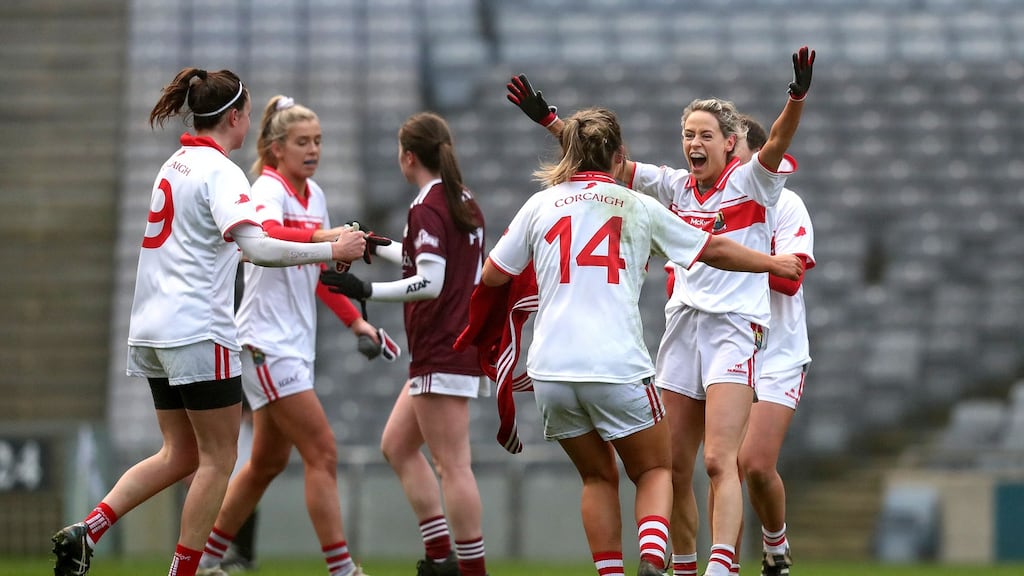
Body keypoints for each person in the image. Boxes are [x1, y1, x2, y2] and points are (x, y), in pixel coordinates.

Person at [507, 46, 815, 576]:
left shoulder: (752, 183)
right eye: (688, 135)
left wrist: (797, 96)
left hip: (734, 330)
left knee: (722, 460)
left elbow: (780, 142)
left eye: (705, 135)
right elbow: (601, 160)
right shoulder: (672, 185)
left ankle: (724, 566)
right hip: (682, 327)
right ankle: (686, 564)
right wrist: (550, 121)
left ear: (730, 143)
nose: (694, 143)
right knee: (671, 465)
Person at [50, 68, 366, 576]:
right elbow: (257, 248)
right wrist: (333, 247)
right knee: (218, 459)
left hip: (152, 329)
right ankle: (186, 571)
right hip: (199, 329)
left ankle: (89, 529)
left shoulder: (173, 165)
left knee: (180, 454)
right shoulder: (222, 172)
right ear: (237, 116)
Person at [194, 95, 383, 576]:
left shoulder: (314, 195)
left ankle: (207, 560)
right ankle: (342, 570)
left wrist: (356, 321)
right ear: (277, 148)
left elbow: (318, 272)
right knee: (322, 451)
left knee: (264, 465)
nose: (313, 149)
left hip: (291, 346)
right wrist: (326, 239)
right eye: (302, 141)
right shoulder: (267, 187)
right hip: (265, 344)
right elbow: (270, 231)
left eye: (318, 141)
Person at [319, 112, 490, 576]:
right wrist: (375, 244)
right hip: (448, 348)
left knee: (453, 466)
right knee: (397, 445)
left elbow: (430, 280)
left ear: (407, 156)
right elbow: (425, 256)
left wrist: (368, 290)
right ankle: (440, 557)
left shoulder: (428, 205)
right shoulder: (461, 200)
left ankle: (470, 570)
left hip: (442, 347)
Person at [736, 114, 815, 576]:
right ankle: (720, 561)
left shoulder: (788, 205)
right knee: (719, 464)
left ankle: (775, 544)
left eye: (735, 150)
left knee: (756, 463)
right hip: (727, 346)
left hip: (778, 352)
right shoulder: (711, 206)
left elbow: (790, 280)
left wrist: (724, 262)